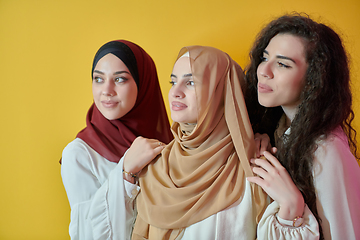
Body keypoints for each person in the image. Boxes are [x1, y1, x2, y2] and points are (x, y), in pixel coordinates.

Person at [129, 45, 277, 240]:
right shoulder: (154, 164)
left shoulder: (254, 169)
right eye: (173, 82)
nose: (175, 92)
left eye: (190, 82)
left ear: (221, 93)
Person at [245, 13, 360, 239]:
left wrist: (292, 205)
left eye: (282, 64)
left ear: (314, 79)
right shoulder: (277, 130)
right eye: (264, 57)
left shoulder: (326, 149)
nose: (263, 71)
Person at [61, 40, 173, 240]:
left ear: (144, 83)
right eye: (98, 79)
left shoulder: (166, 145)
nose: (107, 90)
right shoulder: (79, 155)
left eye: (120, 79)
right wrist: (126, 170)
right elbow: (87, 235)